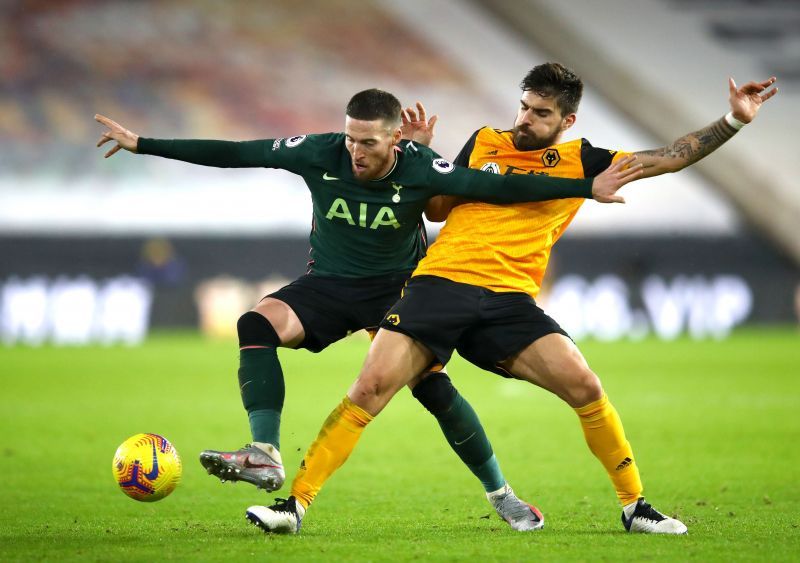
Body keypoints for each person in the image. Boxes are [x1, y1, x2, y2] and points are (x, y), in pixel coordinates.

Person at [246, 65, 777, 535]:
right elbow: (435, 208)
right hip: (438, 285)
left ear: (566, 121)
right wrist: (422, 154)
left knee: (585, 385)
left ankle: (635, 506)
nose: (525, 119)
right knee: (371, 387)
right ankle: (294, 505)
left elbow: (667, 158)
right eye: (523, 106)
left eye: (540, 112)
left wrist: (732, 122)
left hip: (509, 302)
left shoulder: (583, 161)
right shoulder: (482, 142)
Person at [95, 88, 640, 532]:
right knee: (255, 324)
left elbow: (493, 187)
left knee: (434, 389)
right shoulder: (321, 151)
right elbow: (238, 152)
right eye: (352, 138)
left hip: (399, 293)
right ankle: (264, 451)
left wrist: (586, 187)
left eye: (369, 142)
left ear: (395, 138)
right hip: (329, 285)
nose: (356, 151)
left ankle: (502, 495)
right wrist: (143, 144)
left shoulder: (423, 166)